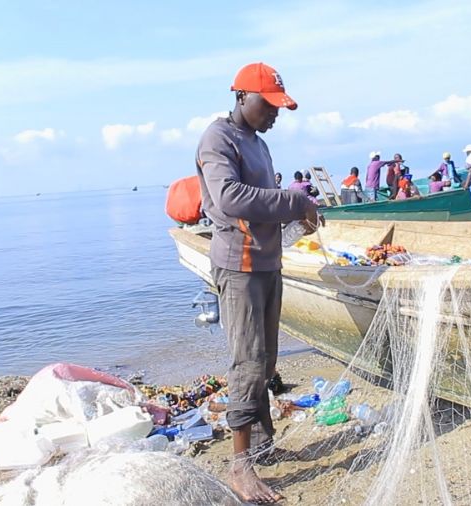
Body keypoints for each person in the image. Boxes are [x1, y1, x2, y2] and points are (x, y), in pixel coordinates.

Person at [196, 62, 319, 504]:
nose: (275, 114)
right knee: (247, 362)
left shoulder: (259, 145)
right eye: (268, 105)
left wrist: (296, 218)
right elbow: (229, 197)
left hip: (268, 263)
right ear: (241, 97)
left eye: (279, 107)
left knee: (267, 361)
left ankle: (262, 444)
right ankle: (240, 467)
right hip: (239, 265)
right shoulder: (218, 138)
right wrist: (294, 200)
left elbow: (269, 206)